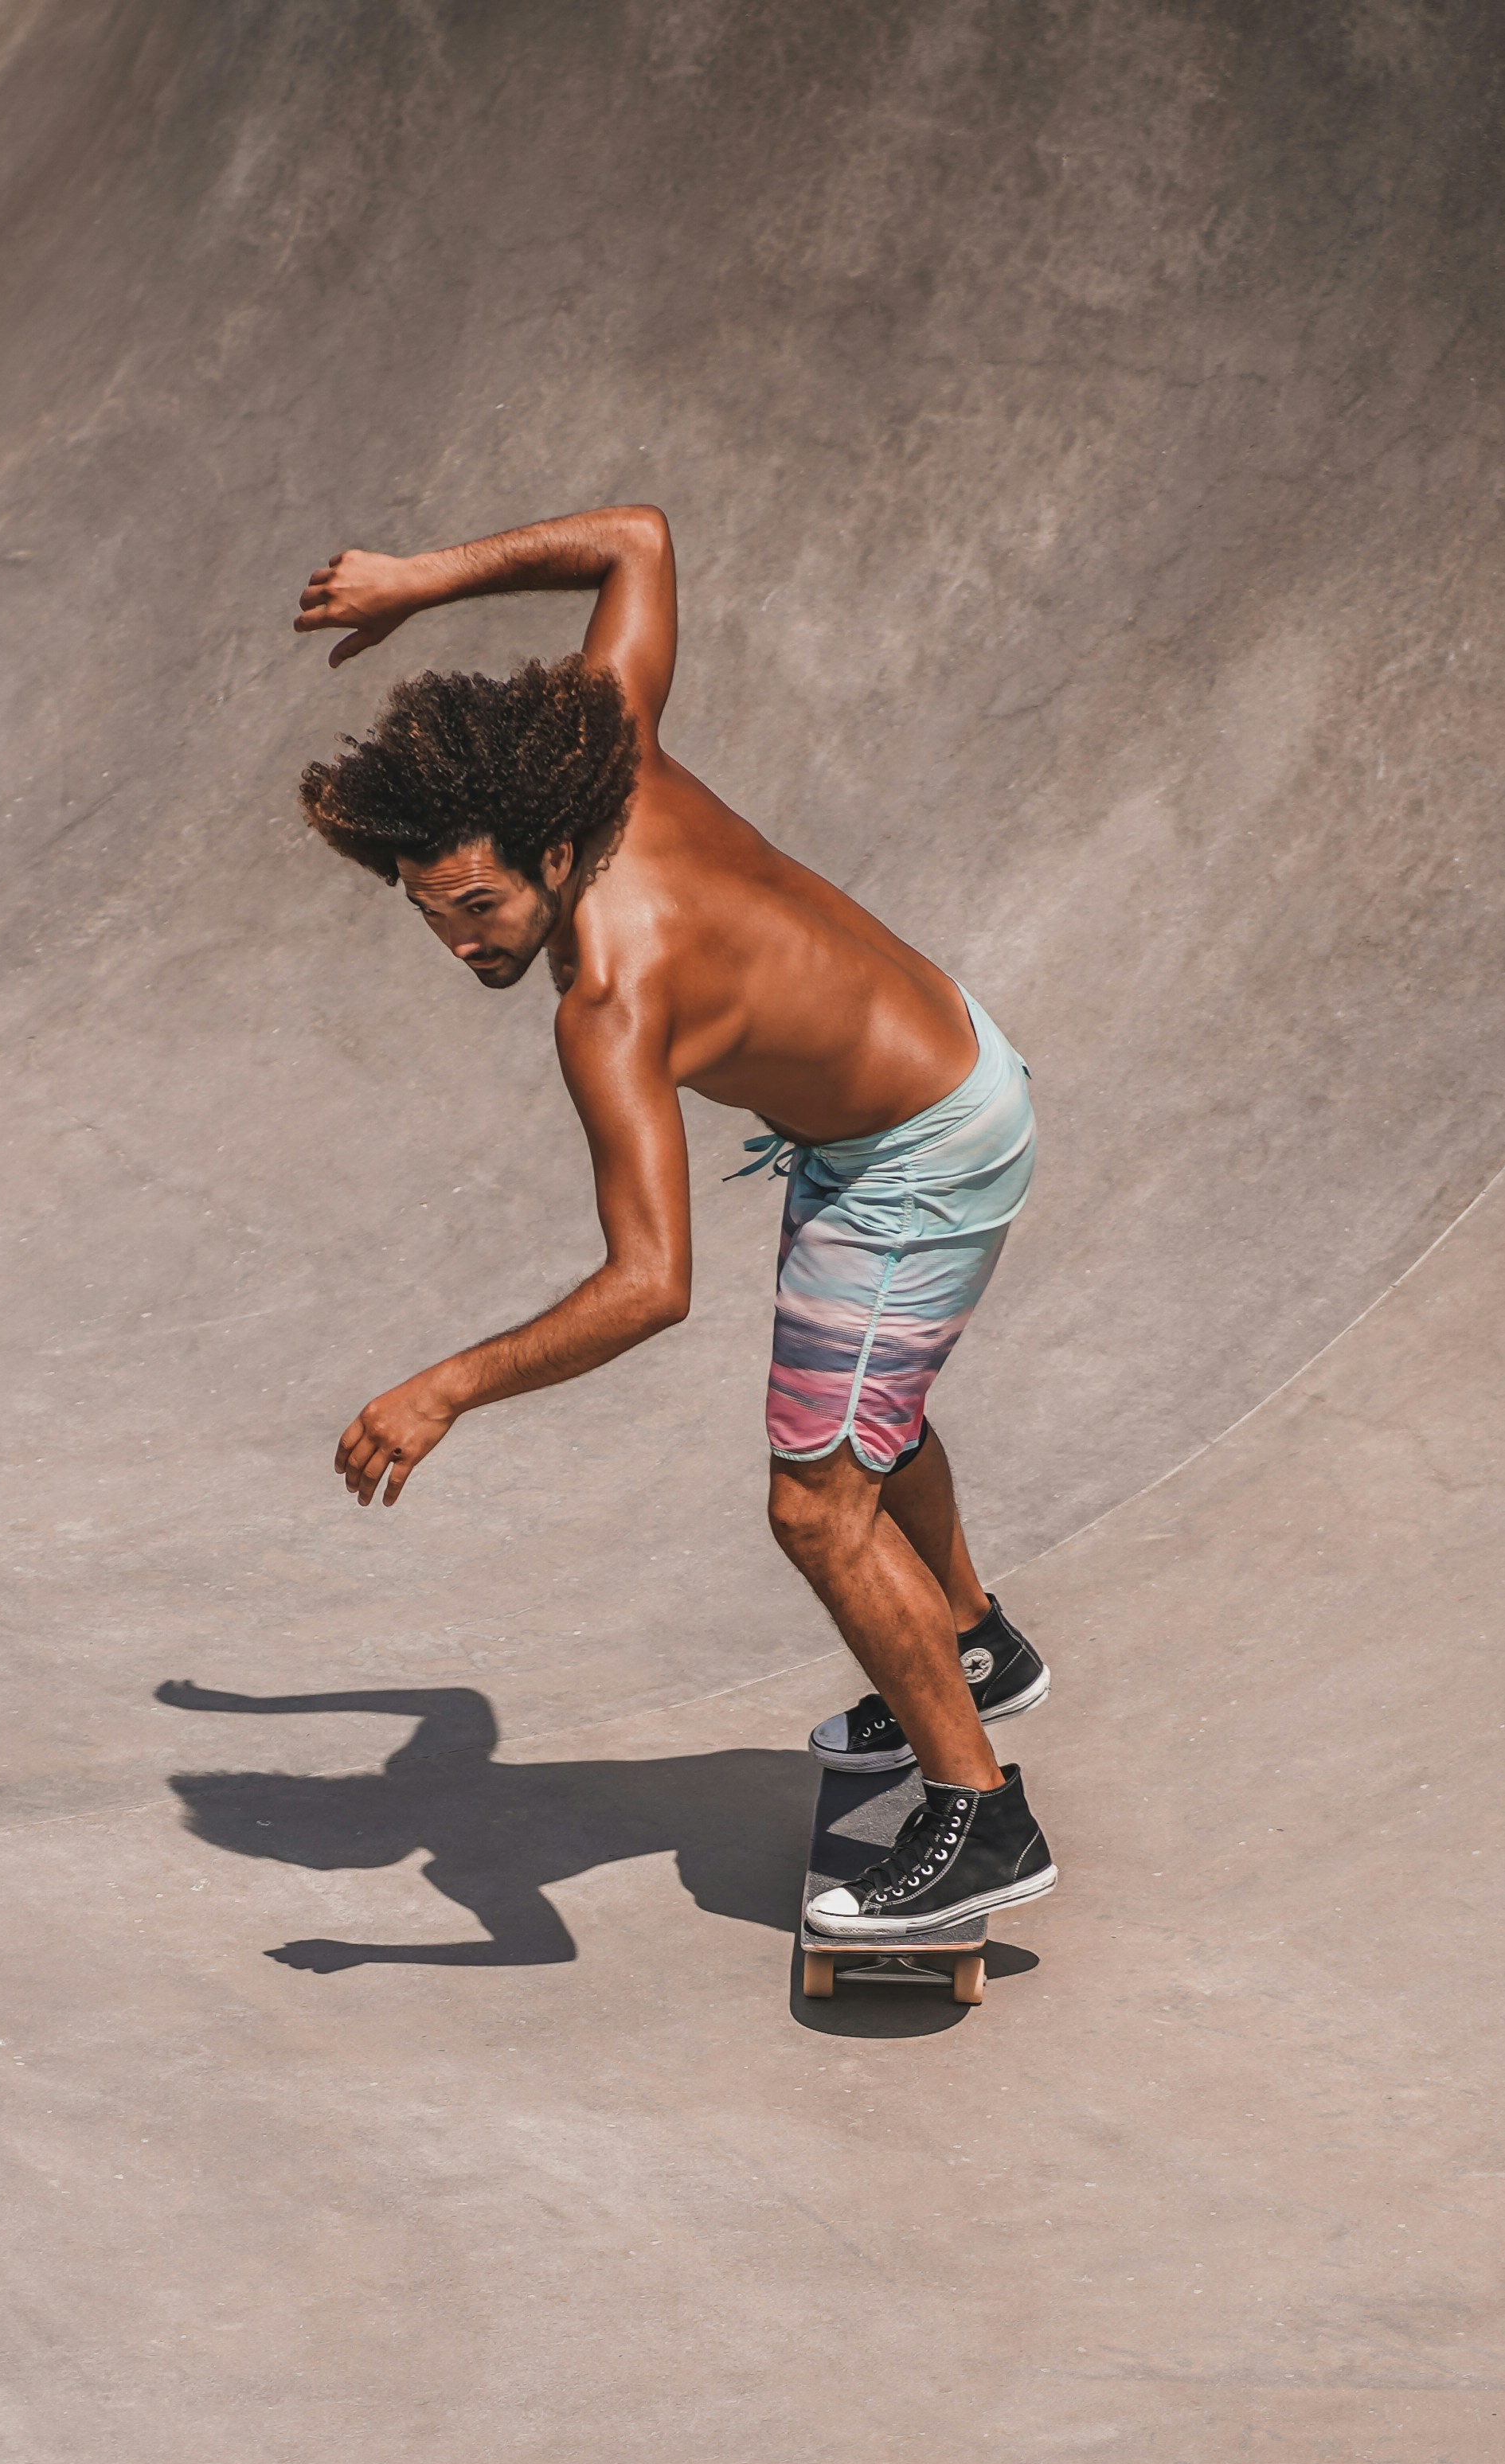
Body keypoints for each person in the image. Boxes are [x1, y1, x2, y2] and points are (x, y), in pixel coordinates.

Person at [290, 503, 1056, 1945]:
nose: (466, 945)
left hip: (921, 1150)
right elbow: (638, 539)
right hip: (923, 1068)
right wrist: (421, 581)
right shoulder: (613, 747)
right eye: (433, 917)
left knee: (814, 1503)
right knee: (856, 1409)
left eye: (480, 906)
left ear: (554, 855)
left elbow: (648, 1286)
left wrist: (443, 1387)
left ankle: (984, 1816)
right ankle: (968, 1636)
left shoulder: (610, 1003)